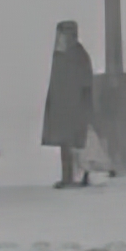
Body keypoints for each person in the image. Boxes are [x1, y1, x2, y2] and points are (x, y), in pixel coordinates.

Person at [41, 21, 96, 189]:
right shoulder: (60, 54)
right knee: (65, 144)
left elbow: (86, 82)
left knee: (75, 143)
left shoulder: (78, 55)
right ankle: (67, 177)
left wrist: (84, 106)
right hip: (61, 105)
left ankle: (77, 176)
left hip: (74, 106)